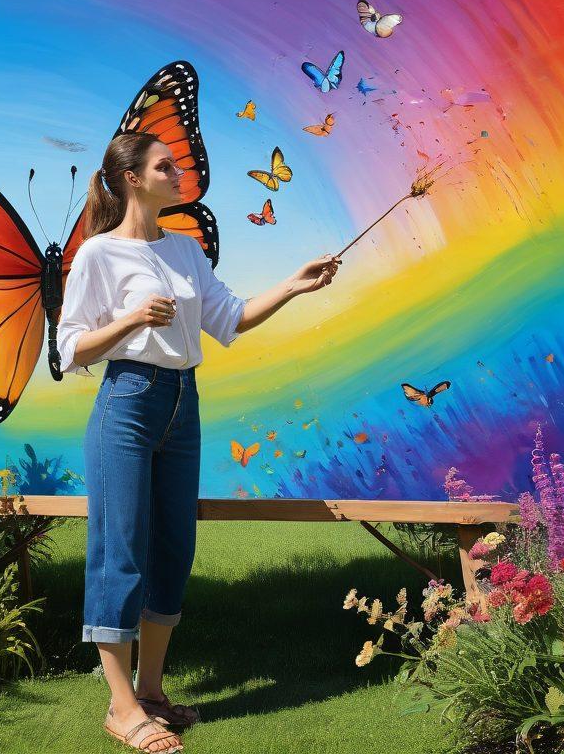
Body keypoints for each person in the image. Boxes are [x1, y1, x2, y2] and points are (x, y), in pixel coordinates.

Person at [56, 131, 341, 753]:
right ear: (133, 177)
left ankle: (152, 692)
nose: (178, 170)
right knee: (120, 547)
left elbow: (230, 317)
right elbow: (69, 348)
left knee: (174, 547)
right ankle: (121, 705)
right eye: (166, 164)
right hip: (126, 403)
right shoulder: (97, 255)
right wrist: (131, 318)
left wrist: (293, 285)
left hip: (184, 403)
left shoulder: (185, 252)